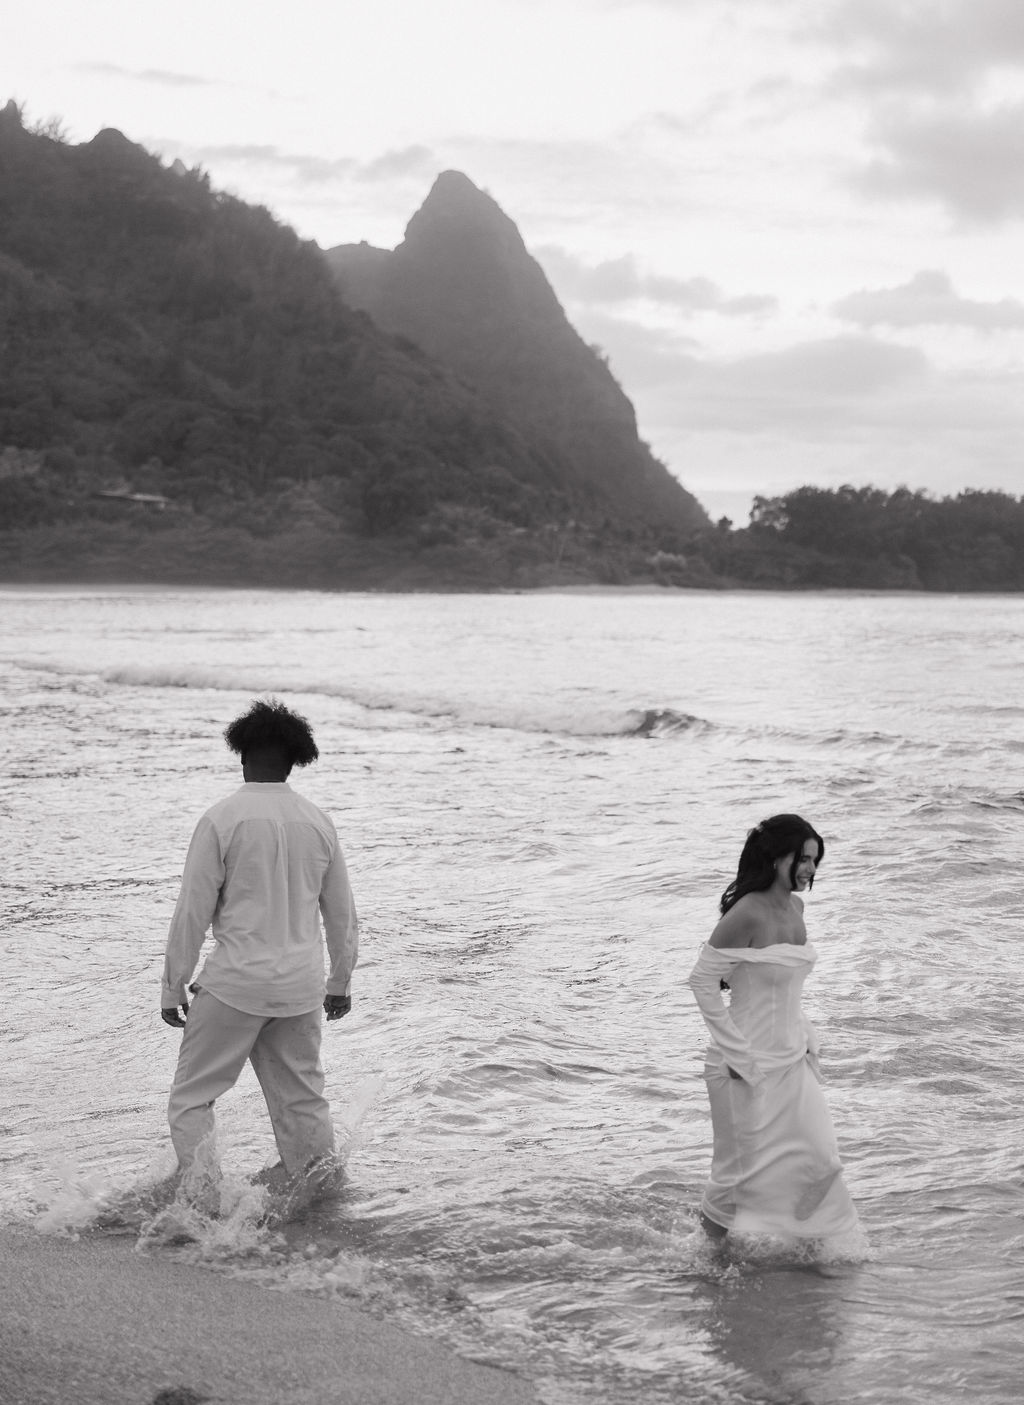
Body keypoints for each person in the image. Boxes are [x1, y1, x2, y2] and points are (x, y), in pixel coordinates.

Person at [161, 698, 358, 1194]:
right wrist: (340, 980)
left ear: (242, 755)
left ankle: (203, 1202)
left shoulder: (222, 819)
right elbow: (341, 913)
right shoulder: (318, 821)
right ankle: (317, 1197)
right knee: (303, 1100)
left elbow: (193, 910)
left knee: (193, 1097)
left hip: (235, 985)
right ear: (294, 761)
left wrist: (173, 985)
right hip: (300, 987)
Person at [686, 814, 858, 1246]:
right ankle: (704, 1259)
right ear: (775, 857)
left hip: (791, 1058)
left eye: (815, 861)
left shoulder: (796, 909)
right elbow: (703, 981)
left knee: (820, 1159)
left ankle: (802, 1247)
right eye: (802, 859)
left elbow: (785, 988)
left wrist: (805, 1037)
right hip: (742, 1066)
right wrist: (737, 1056)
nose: (810, 870)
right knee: (734, 1175)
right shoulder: (746, 914)